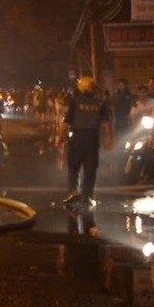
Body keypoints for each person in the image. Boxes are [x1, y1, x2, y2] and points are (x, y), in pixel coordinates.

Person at [60, 75, 112, 221]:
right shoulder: (100, 102)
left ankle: (73, 192)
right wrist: (109, 138)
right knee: (90, 168)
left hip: (77, 137)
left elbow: (66, 121)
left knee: (74, 166)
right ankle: (87, 196)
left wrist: (60, 136)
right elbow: (106, 122)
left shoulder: (75, 102)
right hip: (92, 138)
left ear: (81, 87)